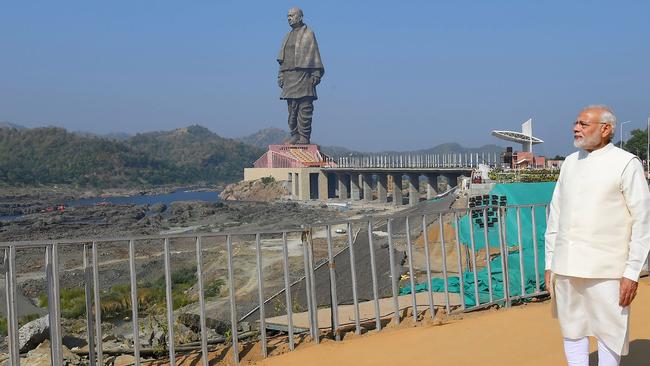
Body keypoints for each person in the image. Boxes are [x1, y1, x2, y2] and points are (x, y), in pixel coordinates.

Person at [544, 105, 650, 366]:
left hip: (608, 269)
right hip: (567, 266)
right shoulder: (569, 163)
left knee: (609, 332)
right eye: (576, 122)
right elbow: (555, 215)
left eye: (583, 123)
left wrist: (632, 272)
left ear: (606, 129)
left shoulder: (626, 163)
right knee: (572, 330)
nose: (575, 128)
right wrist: (550, 262)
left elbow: (642, 221)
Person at [277, 7, 324, 145]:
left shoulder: (308, 33)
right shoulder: (287, 36)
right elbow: (282, 60)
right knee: (291, 109)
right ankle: (295, 134)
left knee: (304, 107)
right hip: (289, 76)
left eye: (291, 15)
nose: (289, 18)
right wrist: (280, 76)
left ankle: (304, 136)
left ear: (300, 17)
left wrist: (315, 73)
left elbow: (314, 54)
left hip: (304, 76)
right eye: (287, 16)